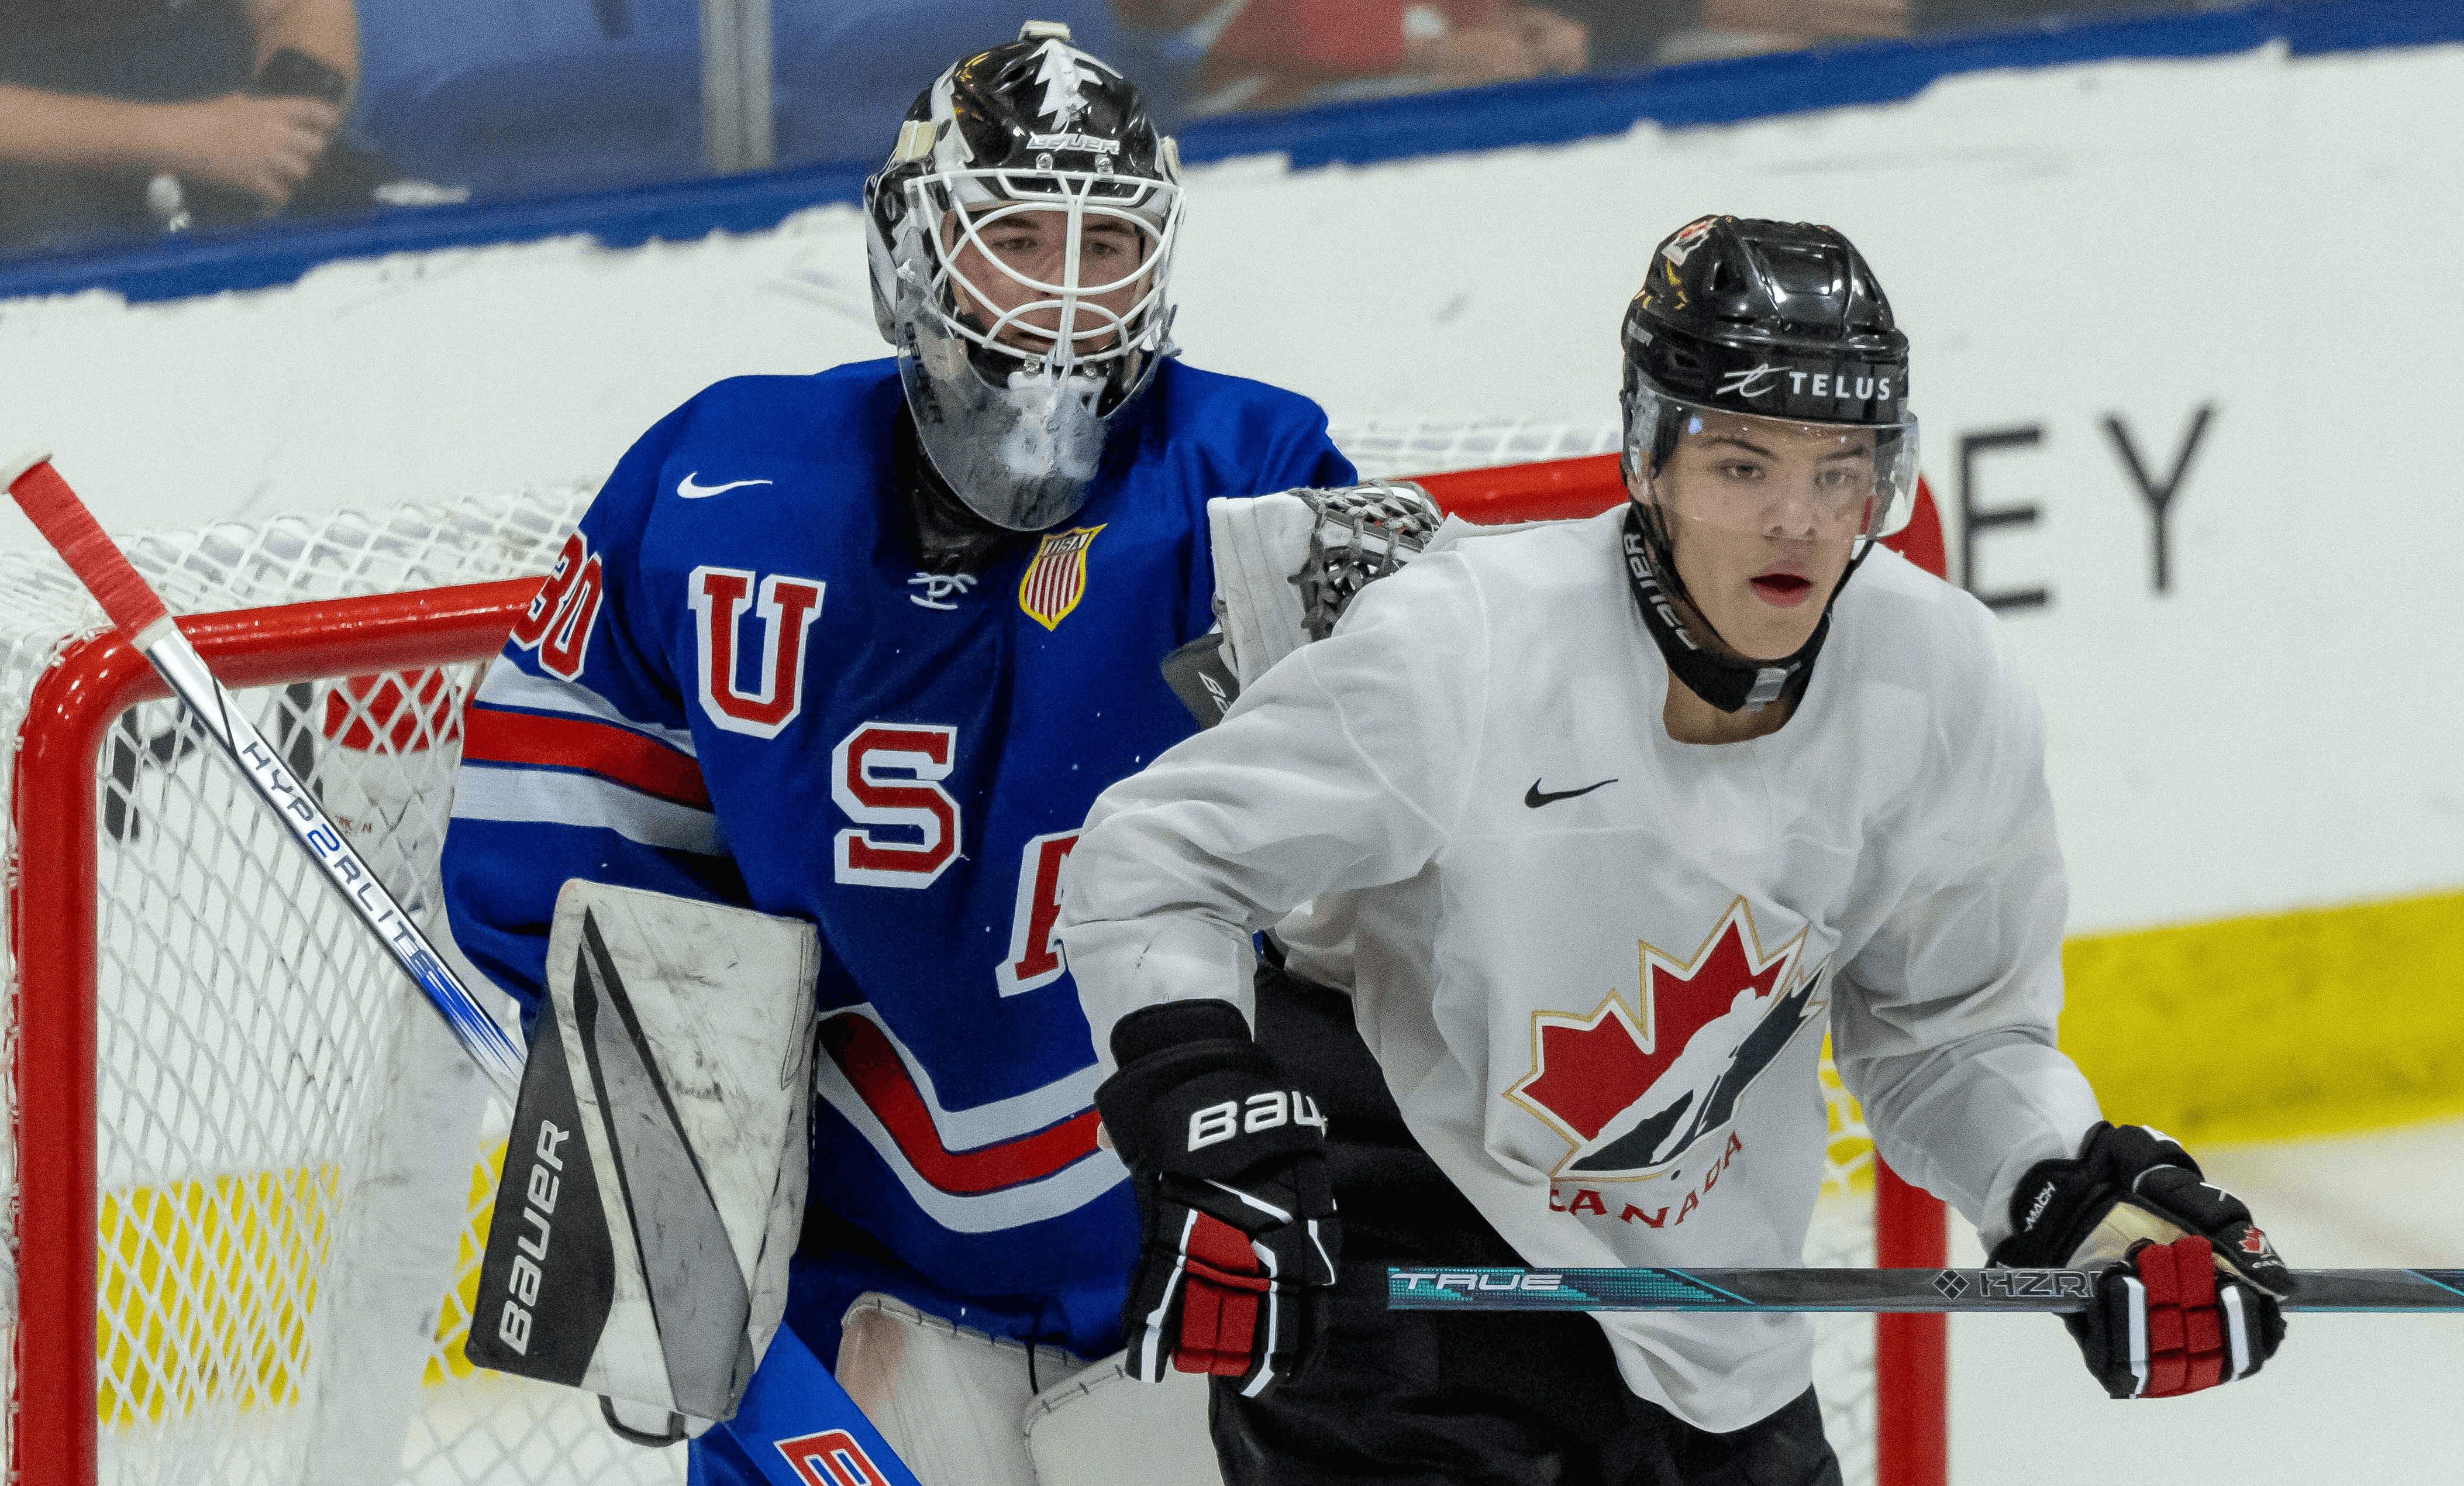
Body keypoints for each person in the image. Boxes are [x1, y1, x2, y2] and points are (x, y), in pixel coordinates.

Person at [1056, 215, 2293, 1485]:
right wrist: (1204, 1106)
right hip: (1407, 1287)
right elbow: (1155, 858)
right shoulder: (1467, 649)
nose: (1799, 522)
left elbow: (1946, 1036)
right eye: (1745, 466)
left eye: (1838, 469)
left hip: (1712, 1333)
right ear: (1648, 456)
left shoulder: (1941, 678)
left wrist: (2069, 1190)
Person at [436, 20, 1353, 1484]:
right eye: (1016, 238)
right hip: (854, 1297)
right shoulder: (714, 487)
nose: (1063, 295)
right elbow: (566, 850)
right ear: (909, 250)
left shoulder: (1252, 480)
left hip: (1171, 1275)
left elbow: (1378, 873)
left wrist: (1317, 1145)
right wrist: (650, 1159)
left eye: (1105, 244)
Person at [0, 0, 361, 253]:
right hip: (33, 215)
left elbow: (307, 9)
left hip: (229, 187)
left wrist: (286, 136)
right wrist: (179, 138)